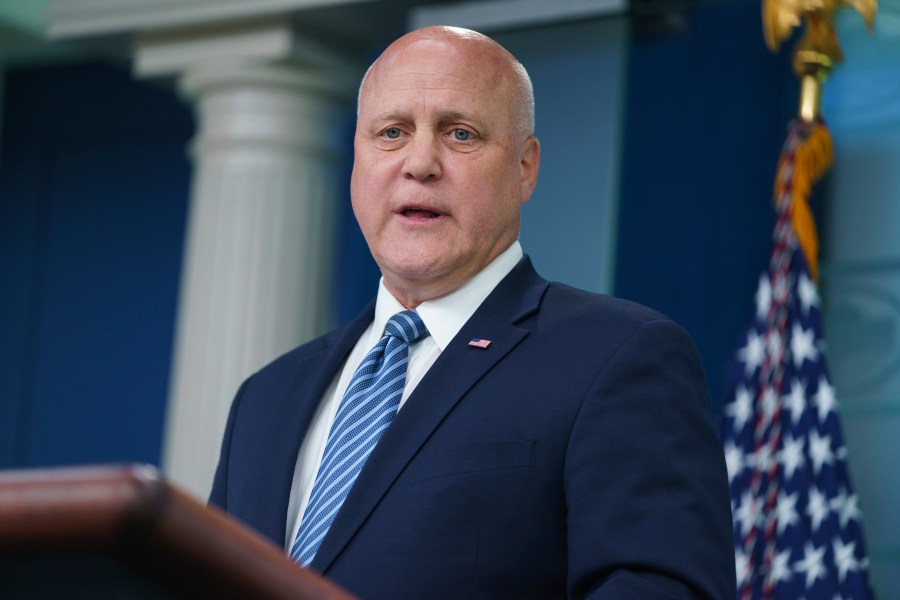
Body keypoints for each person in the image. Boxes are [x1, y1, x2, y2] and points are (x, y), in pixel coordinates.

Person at [209, 25, 736, 599]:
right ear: (358, 161)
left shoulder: (618, 356)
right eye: (391, 132)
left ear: (525, 167)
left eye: (460, 133)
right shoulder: (266, 397)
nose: (421, 163)